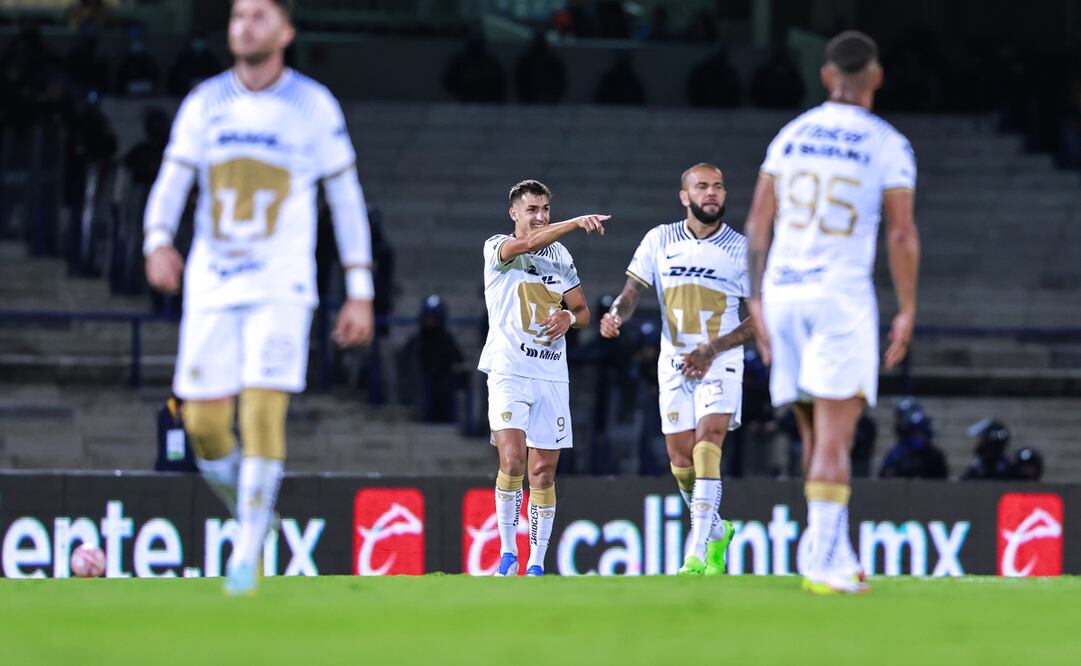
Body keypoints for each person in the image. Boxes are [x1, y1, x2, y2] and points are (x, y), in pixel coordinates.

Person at [142, 0, 374, 595]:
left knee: (261, 412)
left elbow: (345, 198)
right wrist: (157, 240)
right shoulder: (205, 102)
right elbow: (173, 178)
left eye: (259, 16)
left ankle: (246, 554)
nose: (244, 26)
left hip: (281, 284)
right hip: (212, 282)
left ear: (286, 31)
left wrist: (360, 290)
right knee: (203, 426)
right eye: (237, 16)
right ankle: (251, 512)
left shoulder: (313, 105)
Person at [745, 31, 920, 594]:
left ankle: (836, 550)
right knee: (835, 439)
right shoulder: (887, 143)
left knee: (814, 433)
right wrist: (907, 307)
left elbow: (757, 223)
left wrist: (754, 298)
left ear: (825, 76)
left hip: (783, 293)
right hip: (838, 297)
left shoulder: (791, 135)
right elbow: (900, 233)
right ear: (877, 77)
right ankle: (819, 560)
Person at [600, 163, 755, 576]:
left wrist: (713, 349)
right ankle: (717, 530)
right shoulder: (660, 239)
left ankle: (696, 552)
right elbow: (631, 292)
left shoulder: (741, 248)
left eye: (718, 186)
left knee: (708, 445)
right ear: (685, 197)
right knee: (681, 462)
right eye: (702, 186)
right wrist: (616, 315)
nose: (712, 193)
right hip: (674, 363)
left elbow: (761, 318)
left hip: (720, 359)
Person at [479, 179, 609, 576]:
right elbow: (528, 244)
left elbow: (583, 312)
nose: (540, 217)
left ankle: (536, 562)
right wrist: (575, 222)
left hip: (550, 375)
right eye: (532, 209)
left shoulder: (561, 256)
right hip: (508, 370)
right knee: (512, 460)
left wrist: (568, 317)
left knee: (542, 473)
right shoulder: (497, 247)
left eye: (545, 209)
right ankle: (508, 553)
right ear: (513, 213)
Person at [877, 406, 947, 479]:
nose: (918, 437)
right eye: (914, 433)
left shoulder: (935, 456)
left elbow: (942, 479)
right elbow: (884, 476)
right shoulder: (897, 454)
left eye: (921, 433)